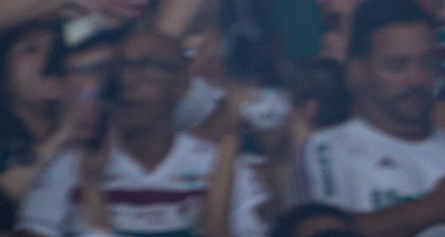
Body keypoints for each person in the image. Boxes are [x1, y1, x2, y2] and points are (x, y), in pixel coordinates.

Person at [295, 0, 445, 234]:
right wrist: (430, 209)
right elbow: (321, 234)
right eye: (396, 65)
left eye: (427, 63)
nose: (416, 79)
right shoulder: (326, 149)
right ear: (355, 72)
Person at [18, 25, 268, 235]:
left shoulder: (222, 166)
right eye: (119, 68)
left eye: (146, 67)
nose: (127, 80)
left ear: (181, 84)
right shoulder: (69, 167)